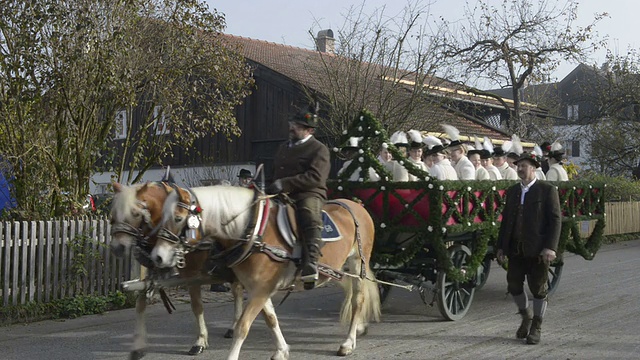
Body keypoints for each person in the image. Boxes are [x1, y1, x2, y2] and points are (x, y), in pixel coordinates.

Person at [496, 151, 561, 345]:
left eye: (524, 166)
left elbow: (556, 220)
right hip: (516, 248)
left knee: (538, 288)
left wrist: (550, 247)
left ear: (533, 168)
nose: (520, 169)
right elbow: (506, 220)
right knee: (513, 284)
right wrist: (501, 247)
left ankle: (536, 326)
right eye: (518, 166)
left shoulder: (546, 190)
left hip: (538, 250)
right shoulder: (514, 191)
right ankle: (526, 317)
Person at [266, 106, 330, 289]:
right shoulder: (284, 147)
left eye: (297, 126)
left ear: (309, 130)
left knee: (309, 216)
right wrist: (267, 186)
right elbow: (276, 171)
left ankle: (310, 264)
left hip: (308, 193)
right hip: (280, 192)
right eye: (292, 124)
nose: (292, 127)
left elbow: (316, 177)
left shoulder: (319, 149)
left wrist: (285, 184)